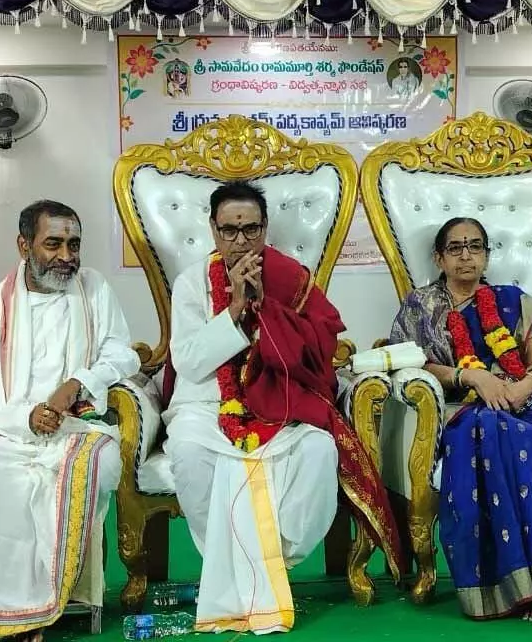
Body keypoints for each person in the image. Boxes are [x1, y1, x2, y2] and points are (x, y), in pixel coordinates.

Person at [162, 181, 402, 634]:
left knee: (318, 450)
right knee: (190, 453)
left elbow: (318, 346)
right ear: (213, 231)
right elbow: (190, 362)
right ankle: (248, 571)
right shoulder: (192, 283)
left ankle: (271, 562)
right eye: (229, 231)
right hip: (208, 404)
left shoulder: (291, 279)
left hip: (283, 405)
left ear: (265, 228)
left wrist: (275, 322)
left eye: (250, 229)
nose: (241, 241)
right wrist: (235, 310)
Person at [389, 217, 532, 622]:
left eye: (476, 246)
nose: (467, 255)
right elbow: (410, 363)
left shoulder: (509, 298)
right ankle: (527, 591)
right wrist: (471, 376)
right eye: (456, 247)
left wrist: (528, 384)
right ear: (439, 257)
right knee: (506, 439)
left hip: (526, 396)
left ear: (486, 254)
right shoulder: (420, 306)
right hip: (465, 406)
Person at [0, 200, 140, 642]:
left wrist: (79, 381)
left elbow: (122, 353)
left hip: (73, 428)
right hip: (3, 432)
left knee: (94, 464)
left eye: (74, 244)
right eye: (53, 243)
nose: (67, 255)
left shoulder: (94, 289)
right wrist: (24, 417)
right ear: (24, 245)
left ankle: (42, 605)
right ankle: (6, 612)